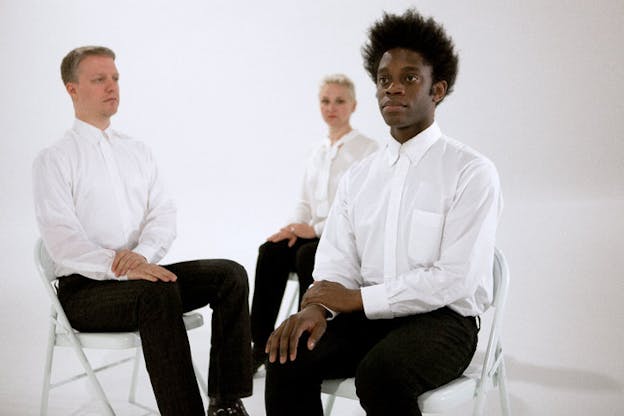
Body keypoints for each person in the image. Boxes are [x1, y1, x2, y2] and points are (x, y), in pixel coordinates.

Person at [264, 9, 503, 416]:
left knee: (381, 374)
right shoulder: (360, 177)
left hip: (443, 323)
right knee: (287, 359)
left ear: (437, 90)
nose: (392, 88)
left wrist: (357, 299)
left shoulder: (471, 171)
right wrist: (315, 309)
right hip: (368, 320)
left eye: (409, 78)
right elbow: (337, 261)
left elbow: (454, 279)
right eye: (383, 79)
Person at [32, 46, 252, 416]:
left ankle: (225, 403)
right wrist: (121, 265)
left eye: (115, 78)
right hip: (86, 291)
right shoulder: (54, 159)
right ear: (72, 89)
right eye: (99, 79)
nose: (111, 86)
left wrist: (143, 257)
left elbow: (163, 214)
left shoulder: (138, 151)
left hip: (143, 275)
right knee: (155, 295)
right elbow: (62, 241)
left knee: (230, 274)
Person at [250, 74, 378, 372]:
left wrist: (316, 230)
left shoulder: (367, 149)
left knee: (308, 255)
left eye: (339, 101)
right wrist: (293, 227)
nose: (331, 107)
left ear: (354, 105)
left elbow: (361, 208)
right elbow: (303, 202)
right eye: (325, 101)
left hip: (344, 239)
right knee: (271, 250)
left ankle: (302, 339)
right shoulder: (315, 151)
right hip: (309, 234)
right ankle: (259, 346)